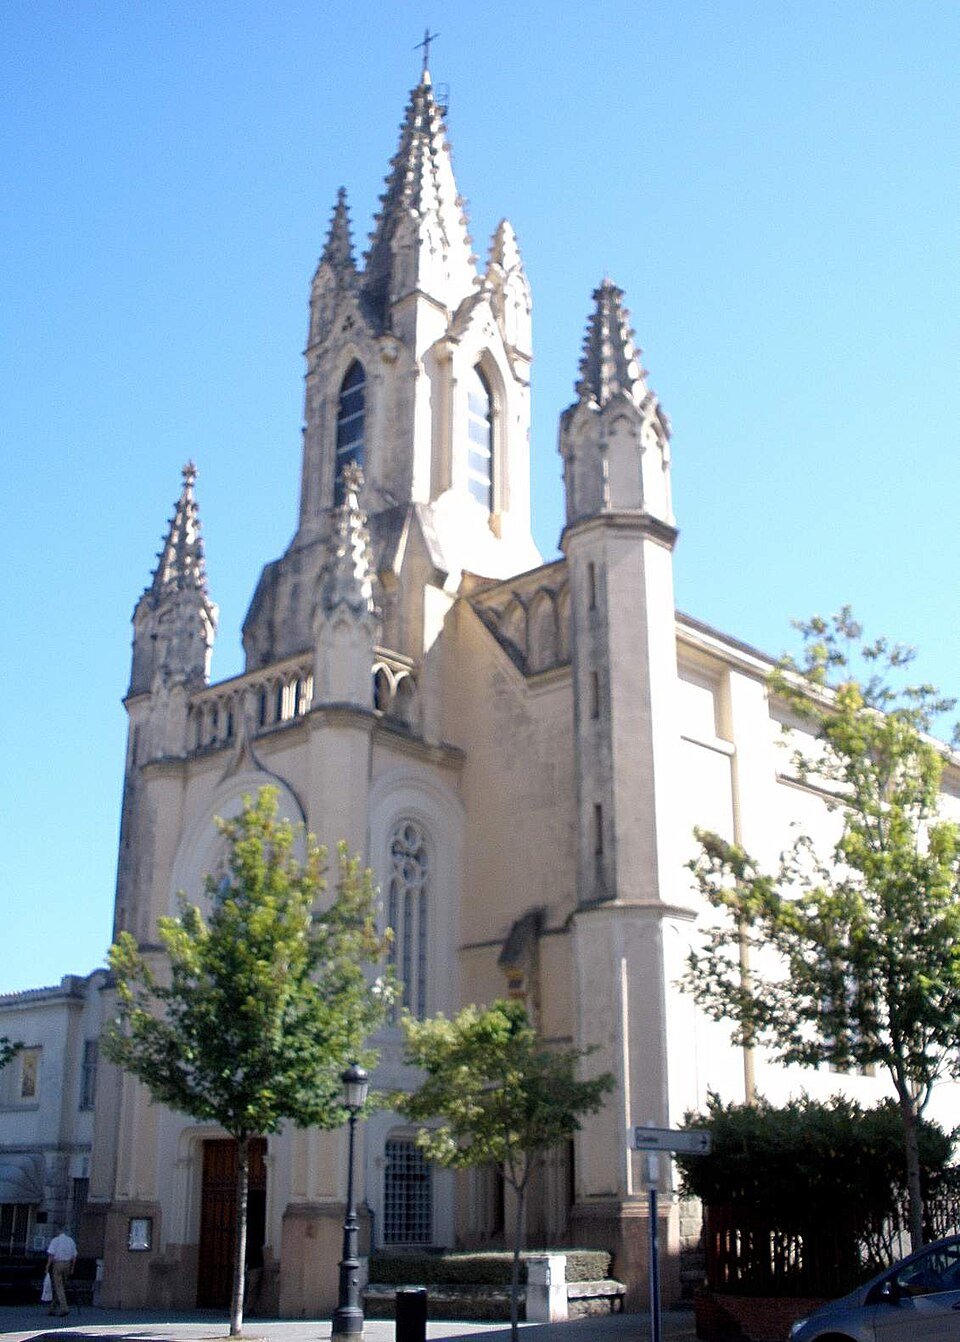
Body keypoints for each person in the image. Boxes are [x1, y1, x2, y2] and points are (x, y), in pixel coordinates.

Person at [45, 1226, 77, 1317]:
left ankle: (64, 1308)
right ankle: (52, 1308)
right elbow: (74, 1256)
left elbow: (51, 1255)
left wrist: (47, 1266)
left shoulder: (55, 1240)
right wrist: (72, 1268)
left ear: (58, 1231)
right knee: (62, 1285)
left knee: (58, 1286)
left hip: (58, 1264)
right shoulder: (71, 1241)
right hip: (68, 1264)